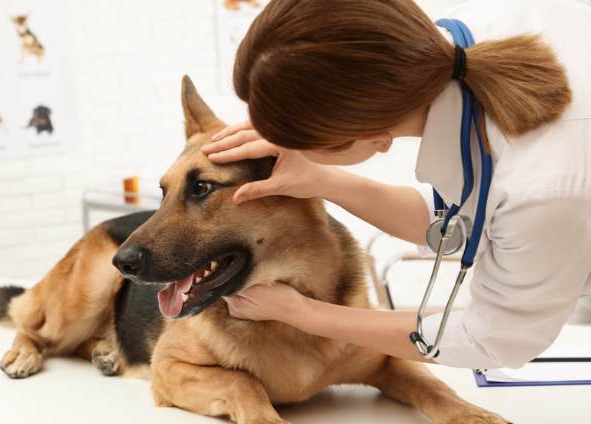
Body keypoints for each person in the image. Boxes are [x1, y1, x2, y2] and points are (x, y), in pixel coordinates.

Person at [202, 0, 591, 370]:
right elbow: (473, 211)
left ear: (376, 137)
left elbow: (493, 339)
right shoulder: (483, 24)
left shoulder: (541, 191)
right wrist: (320, 178)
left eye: (298, 143)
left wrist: (302, 313)